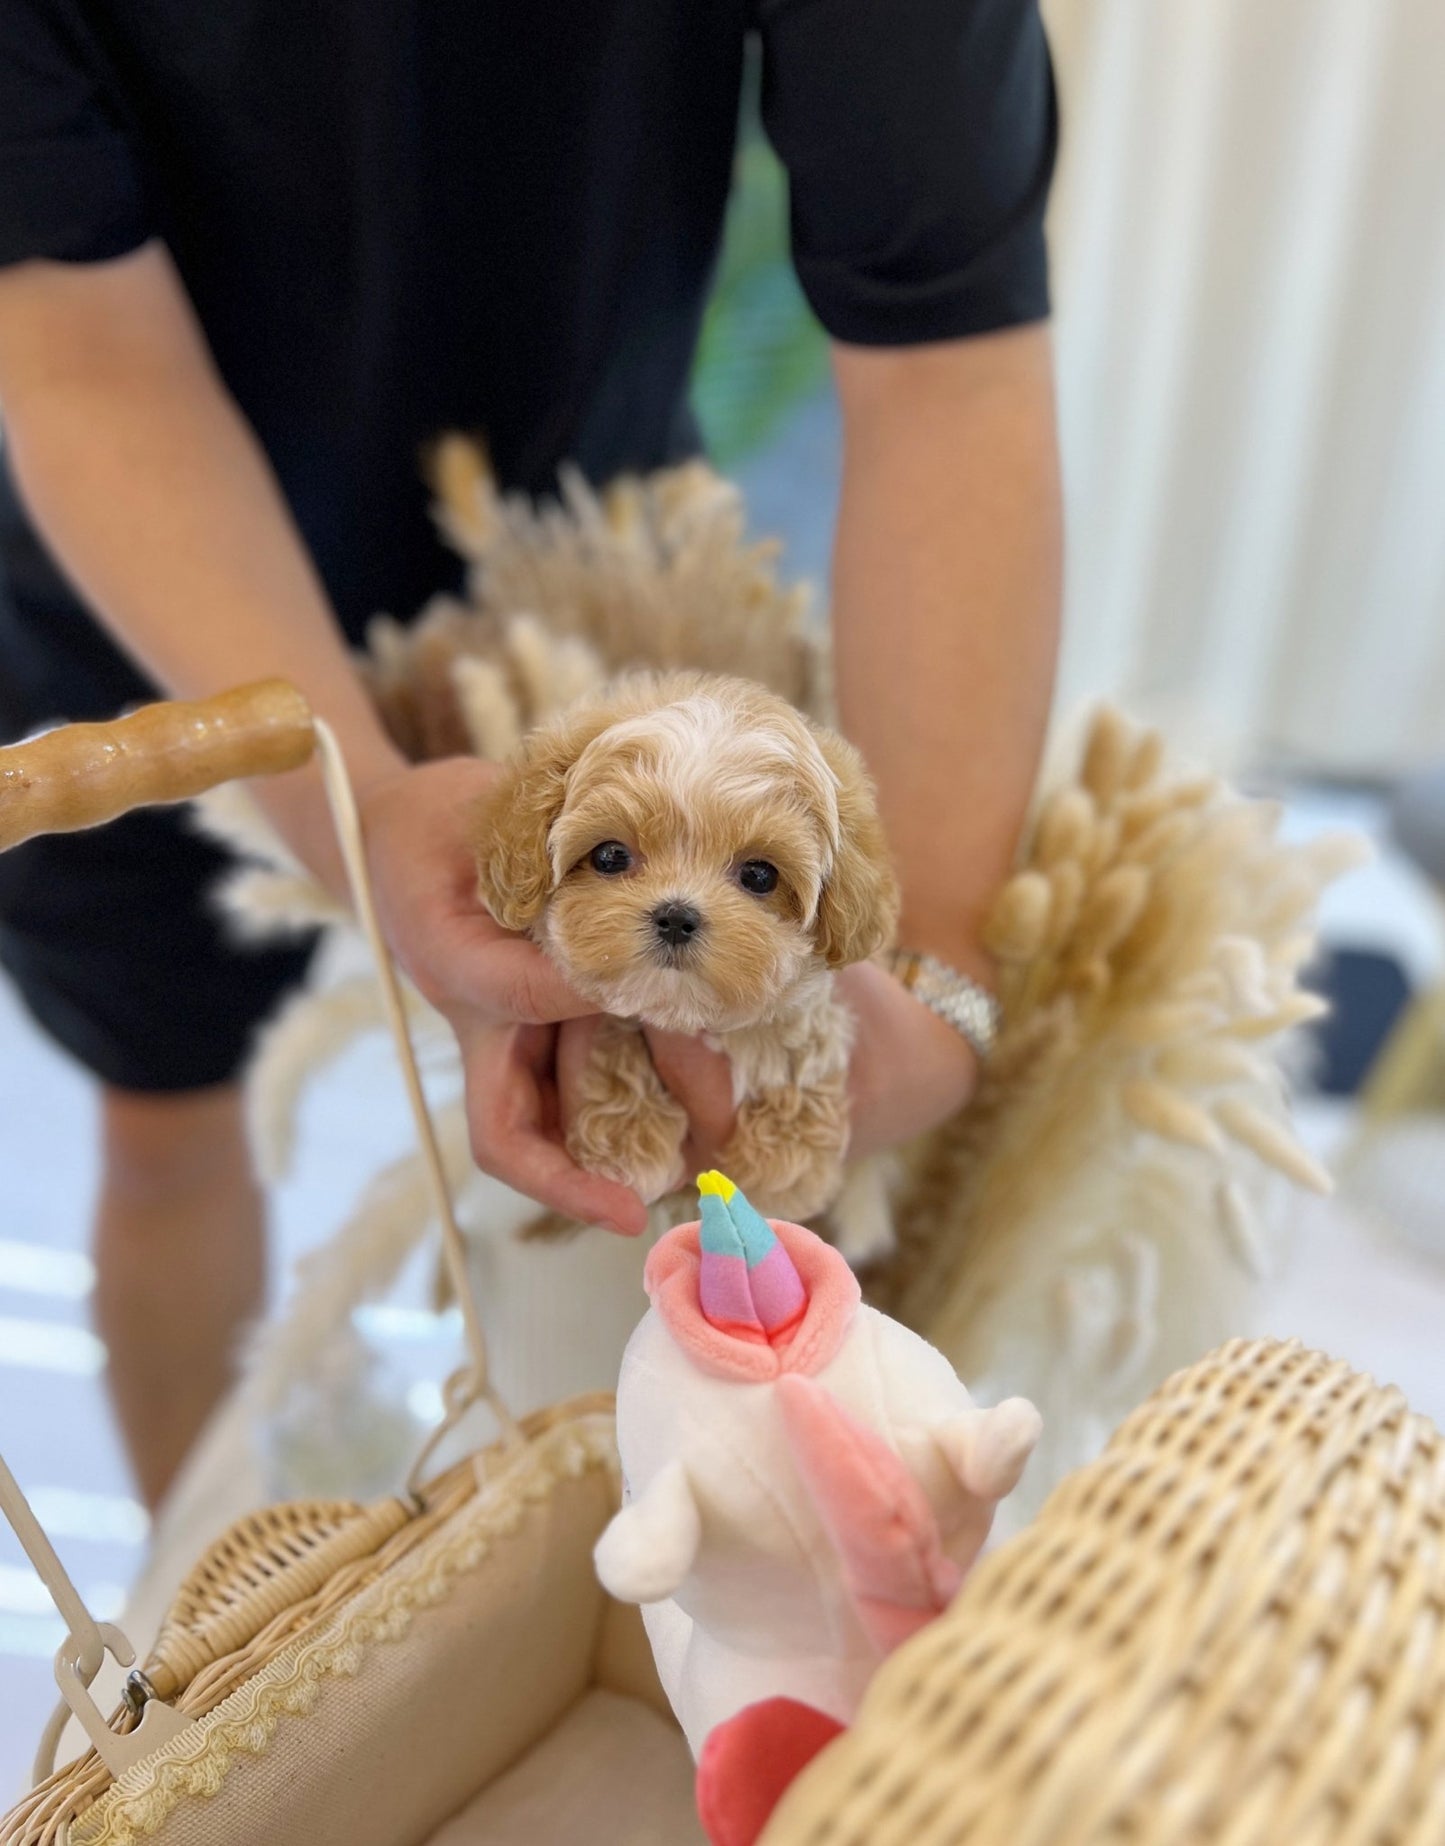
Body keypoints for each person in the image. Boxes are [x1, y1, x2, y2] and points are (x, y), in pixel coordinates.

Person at [0, 2, 1063, 1509]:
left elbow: (946, 351)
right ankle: (205, 1642)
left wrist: (935, 983)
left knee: (619, 1190)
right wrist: (356, 800)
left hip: (576, 556)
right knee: (160, 1121)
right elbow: (79, 343)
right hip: (140, 582)